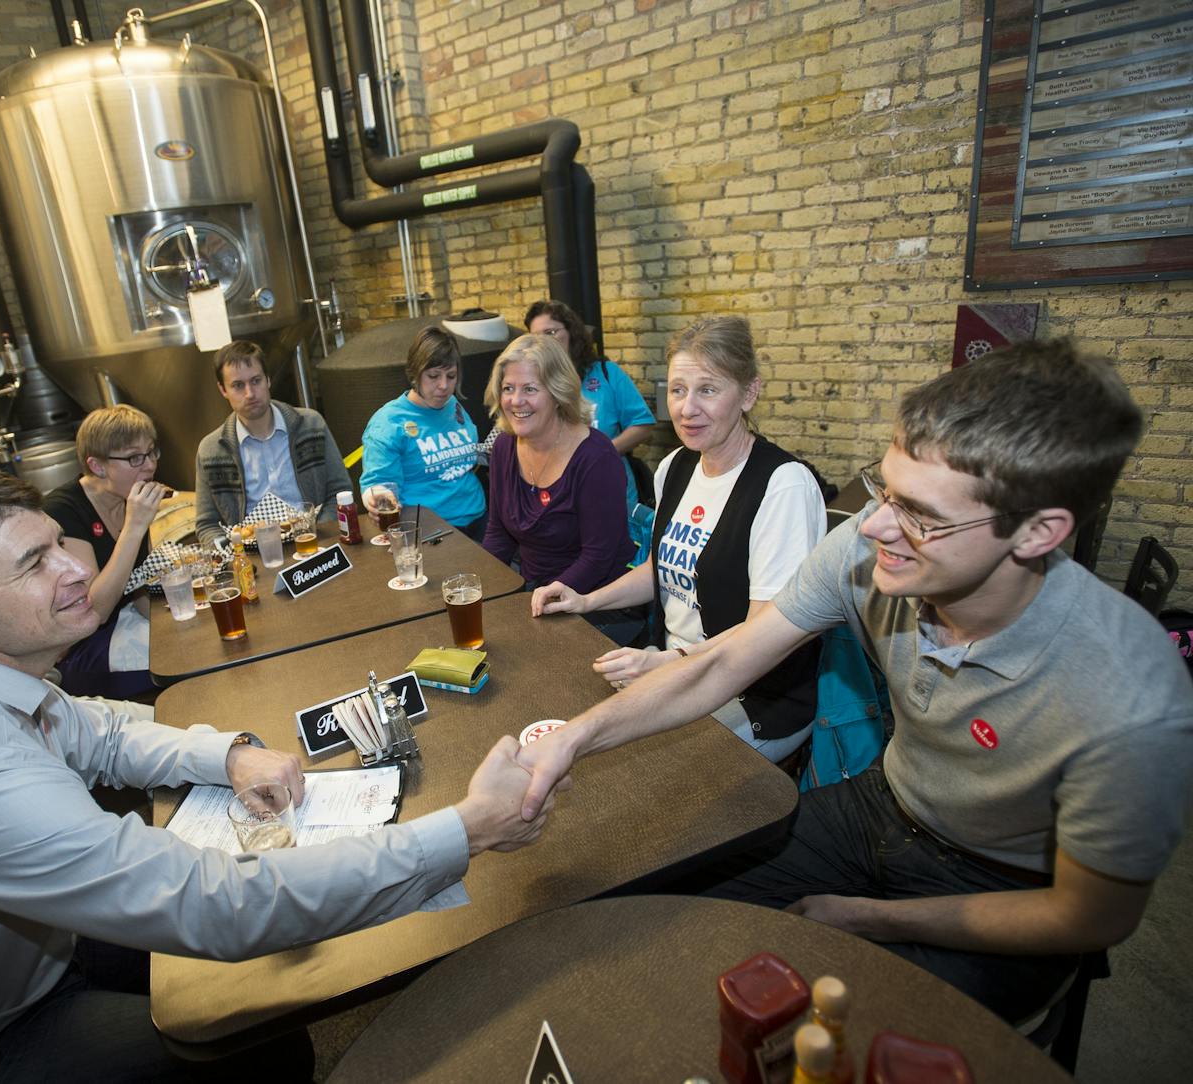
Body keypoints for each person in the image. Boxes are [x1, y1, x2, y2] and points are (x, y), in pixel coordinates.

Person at [517, 340, 1193, 1024]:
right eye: (885, 489)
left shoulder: (1129, 699)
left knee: (851, 1033)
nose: (873, 527)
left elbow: (1087, 917)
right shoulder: (871, 551)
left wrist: (874, 919)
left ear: (1038, 533)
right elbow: (722, 662)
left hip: (1004, 884)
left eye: (921, 517)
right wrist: (576, 738)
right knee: (658, 909)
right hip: (881, 805)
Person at [0, 470, 558, 1083]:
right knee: (261, 1041)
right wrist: (468, 829)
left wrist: (228, 754)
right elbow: (221, 907)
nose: (79, 570)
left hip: (23, 961)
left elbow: (95, 729)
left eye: (57, 544)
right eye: (35, 564)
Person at [532, 317, 826, 767]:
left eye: (708, 389)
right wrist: (586, 600)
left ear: (748, 393)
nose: (687, 408)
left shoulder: (782, 485)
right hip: (679, 669)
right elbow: (660, 567)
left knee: (636, 767)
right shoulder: (677, 465)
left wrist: (668, 664)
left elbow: (763, 635)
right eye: (677, 390)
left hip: (758, 699)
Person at [481, 334, 631, 595]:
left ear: (557, 392)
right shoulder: (504, 446)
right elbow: (498, 534)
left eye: (530, 388)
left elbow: (597, 558)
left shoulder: (596, 458)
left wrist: (546, 598)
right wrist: (480, 586)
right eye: (508, 388)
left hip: (597, 599)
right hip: (533, 591)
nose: (516, 401)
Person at [41, 405, 169, 699]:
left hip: (125, 623)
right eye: (135, 458)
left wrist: (178, 619)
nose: (149, 465)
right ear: (98, 466)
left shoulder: (128, 497)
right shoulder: (63, 512)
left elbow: (139, 588)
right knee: (182, 660)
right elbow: (93, 612)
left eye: (151, 452)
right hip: (80, 648)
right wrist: (134, 526)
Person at [194, 339, 350, 549]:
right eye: (238, 385)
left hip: (315, 542)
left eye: (256, 381)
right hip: (252, 556)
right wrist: (236, 553)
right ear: (223, 389)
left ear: (268, 380)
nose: (250, 394)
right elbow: (206, 525)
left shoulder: (311, 425)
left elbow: (339, 492)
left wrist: (317, 532)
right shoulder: (211, 450)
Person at [526, 299, 655, 539]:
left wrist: (599, 454)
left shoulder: (606, 373)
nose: (544, 342)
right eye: (536, 337)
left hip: (612, 491)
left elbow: (643, 424)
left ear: (572, 333)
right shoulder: (531, 382)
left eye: (551, 332)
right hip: (558, 500)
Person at [359, 326, 487, 539]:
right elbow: (378, 483)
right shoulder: (389, 422)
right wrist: (378, 497)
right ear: (414, 373)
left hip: (479, 518)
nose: (444, 386)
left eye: (451, 376)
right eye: (433, 376)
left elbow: (471, 453)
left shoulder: (453, 406)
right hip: (430, 530)